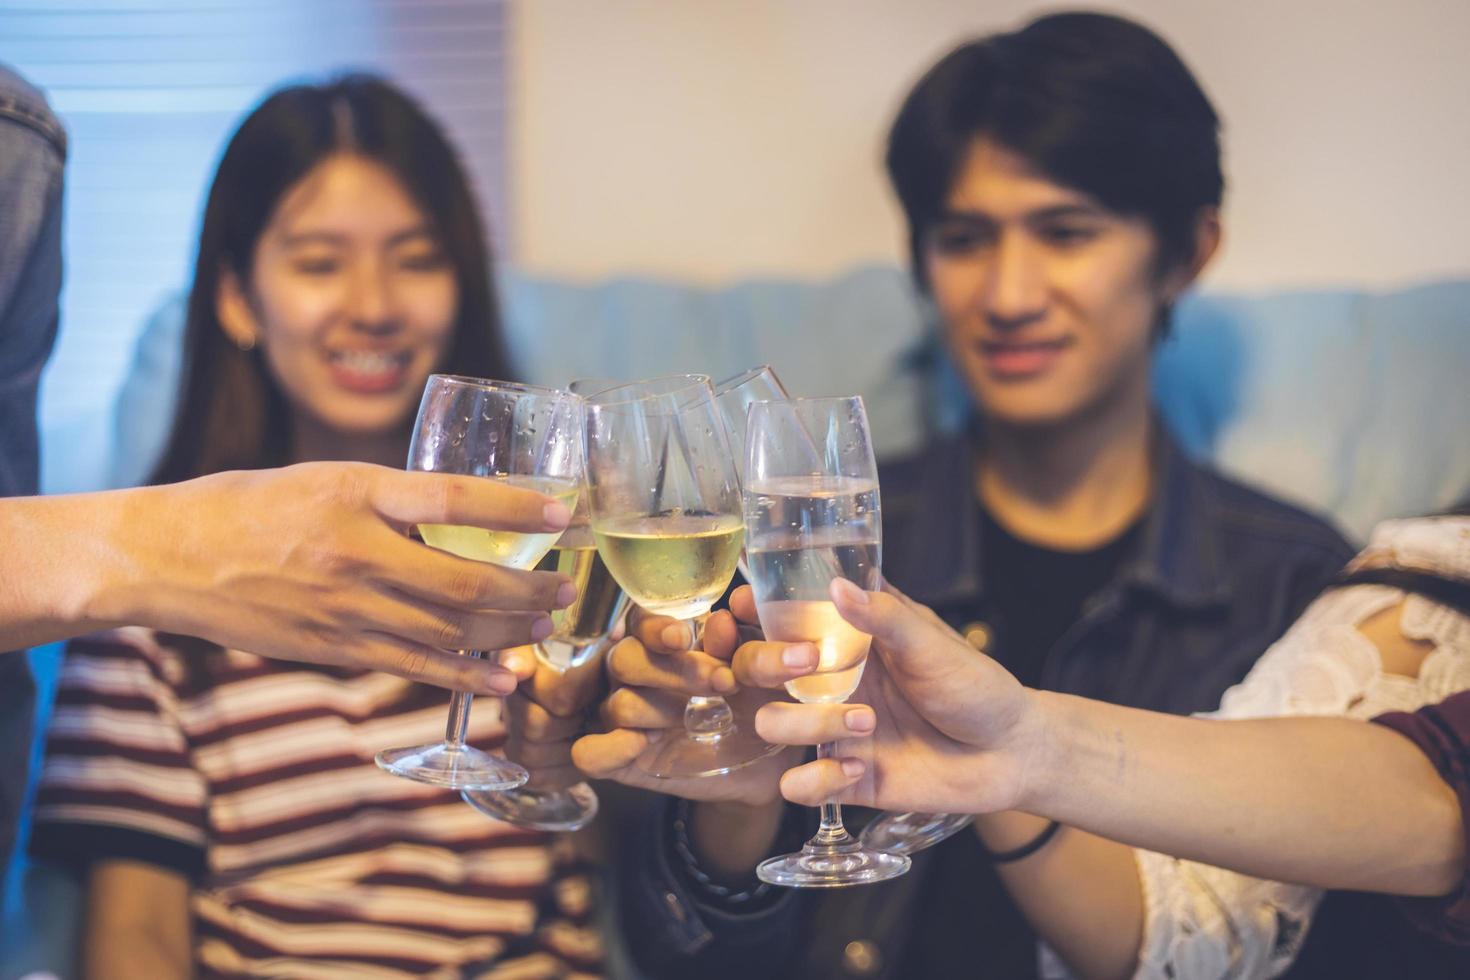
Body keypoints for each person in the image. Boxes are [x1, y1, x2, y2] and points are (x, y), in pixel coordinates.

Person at [574, 12, 1357, 980]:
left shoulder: (1297, 590)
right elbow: (680, 960)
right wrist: (733, 815)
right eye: (965, 239)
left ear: (1189, 251)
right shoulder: (807, 548)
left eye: (1067, 233)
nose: (1011, 292)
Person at [27, 76, 602, 978]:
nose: (372, 304)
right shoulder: (155, 607)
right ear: (236, 297)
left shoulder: (553, 565)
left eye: (416, 259)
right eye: (319, 262)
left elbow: (624, 881)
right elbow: (134, 939)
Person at [753, 510, 1470, 976]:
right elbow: (1430, 780)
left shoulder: (1286, 560)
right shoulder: (1425, 588)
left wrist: (1021, 754)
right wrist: (1018, 751)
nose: (1013, 295)